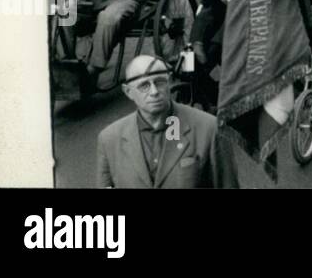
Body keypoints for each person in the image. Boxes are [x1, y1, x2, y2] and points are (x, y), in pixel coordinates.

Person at [97, 55, 238, 188]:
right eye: (144, 86)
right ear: (128, 92)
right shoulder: (109, 139)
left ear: (169, 81)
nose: (154, 92)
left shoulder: (209, 129)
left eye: (159, 82)